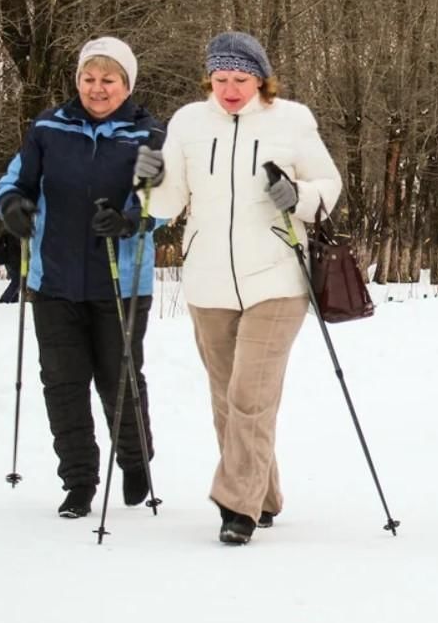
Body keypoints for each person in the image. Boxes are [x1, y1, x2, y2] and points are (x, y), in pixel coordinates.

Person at [134, 31, 342, 545]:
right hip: (206, 281)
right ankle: (264, 493)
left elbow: (329, 188)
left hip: (276, 278)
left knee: (251, 394)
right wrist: (146, 181)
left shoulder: (292, 120)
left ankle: (237, 507)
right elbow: (165, 205)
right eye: (221, 79)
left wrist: (297, 195)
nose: (230, 89)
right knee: (228, 399)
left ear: (261, 79)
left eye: (241, 79)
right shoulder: (187, 122)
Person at [0, 36, 161, 519]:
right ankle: (79, 481)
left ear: (126, 85)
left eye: (108, 80)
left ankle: (135, 461)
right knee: (63, 384)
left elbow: (161, 197)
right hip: (55, 279)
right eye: (89, 78)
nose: (97, 88)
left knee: (120, 380)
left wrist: (131, 219)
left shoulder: (148, 135)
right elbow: (15, 180)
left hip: (122, 279)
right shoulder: (49, 127)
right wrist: (12, 206)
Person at [0, 230, 22, 303]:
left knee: (16, 281)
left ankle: (13, 300)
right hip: (13, 261)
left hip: (10, 260)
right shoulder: (14, 233)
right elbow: (14, 249)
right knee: (18, 281)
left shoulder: (10, 230)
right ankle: (4, 300)